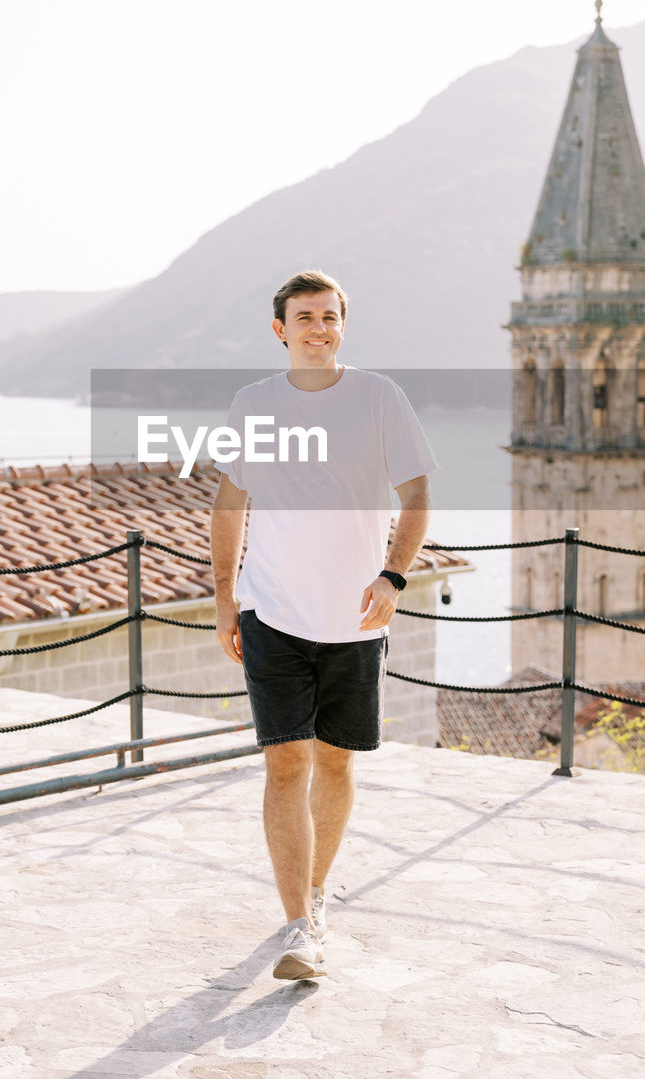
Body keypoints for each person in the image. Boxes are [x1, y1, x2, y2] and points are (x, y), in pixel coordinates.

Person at [210, 268, 437, 980]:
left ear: (343, 325)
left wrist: (393, 575)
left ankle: (315, 892)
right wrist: (223, 596)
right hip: (271, 611)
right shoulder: (253, 404)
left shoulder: (377, 398)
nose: (318, 328)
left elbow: (418, 490)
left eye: (329, 317)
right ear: (280, 329)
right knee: (285, 762)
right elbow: (229, 500)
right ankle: (296, 927)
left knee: (334, 761)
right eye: (304, 318)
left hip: (356, 616)